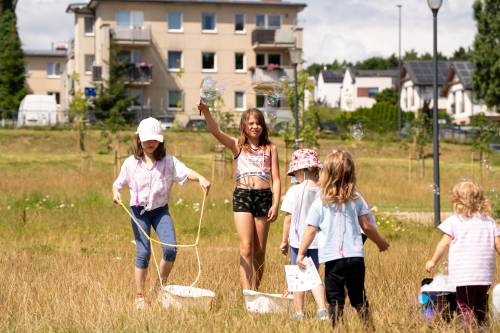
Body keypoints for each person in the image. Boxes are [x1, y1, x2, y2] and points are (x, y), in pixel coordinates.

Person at [112, 117, 211, 309]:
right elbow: (118, 184)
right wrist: (116, 194)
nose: (150, 143)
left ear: (160, 141)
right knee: (143, 252)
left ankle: (159, 288)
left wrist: (200, 178)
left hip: (160, 211)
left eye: (154, 139)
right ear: (139, 139)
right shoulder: (131, 163)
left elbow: (186, 172)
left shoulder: (169, 162)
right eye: (146, 139)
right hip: (138, 212)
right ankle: (140, 296)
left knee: (170, 249)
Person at [297, 150, 389, 328]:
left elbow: (310, 230)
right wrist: (380, 242)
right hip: (355, 257)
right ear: (351, 174)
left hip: (332, 259)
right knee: (358, 297)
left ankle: (336, 328)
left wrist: (301, 253)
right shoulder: (356, 198)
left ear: (326, 174)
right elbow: (367, 226)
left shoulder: (321, 202)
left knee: (335, 300)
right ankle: (368, 328)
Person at [198, 102, 280, 291]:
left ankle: (256, 290)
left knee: (259, 252)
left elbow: (276, 179)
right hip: (243, 195)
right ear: (244, 126)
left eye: (258, 123)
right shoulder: (238, 146)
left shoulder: (270, 148)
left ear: (263, 126)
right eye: (250, 123)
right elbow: (216, 131)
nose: (254, 126)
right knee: (246, 247)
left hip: (263, 197)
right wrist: (207, 111)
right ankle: (247, 293)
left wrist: (275, 204)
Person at [425, 180, 500, 330]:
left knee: (465, 305)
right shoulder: (490, 221)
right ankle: (481, 327)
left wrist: (433, 261)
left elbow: (443, 243)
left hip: (463, 275)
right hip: (484, 275)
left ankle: (470, 329)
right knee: (480, 303)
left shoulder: (454, 221)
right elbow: (498, 244)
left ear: (457, 201)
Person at [280, 148, 328, 320]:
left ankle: (299, 312)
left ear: (301, 170)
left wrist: (284, 241)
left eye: (295, 173)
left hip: (297, 241)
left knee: (297, 276)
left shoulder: (294, 191)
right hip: (317, 241)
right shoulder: (323, 191)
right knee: (313, 274)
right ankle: (322, 309)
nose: (294, 177)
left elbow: (288, 218)